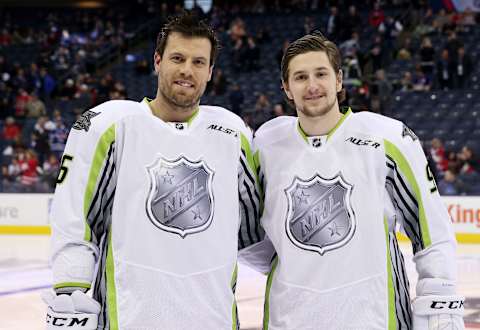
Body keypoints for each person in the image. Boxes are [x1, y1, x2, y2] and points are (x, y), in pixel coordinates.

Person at [43, 12, 262, 330]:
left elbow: (252, 229)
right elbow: (75, 217)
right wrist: (70, 290)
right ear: (157, 61)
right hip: (130, 319)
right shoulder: (112, 126)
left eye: (199, 62)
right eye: (178, 58)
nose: (187, 70)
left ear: (211, 71)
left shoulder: (232, 133)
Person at [241, 31, 464, 329]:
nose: (312, 86)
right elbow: (249, 233)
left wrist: (441, 306)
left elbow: (430, 232)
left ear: (339, 80)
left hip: (374, 319)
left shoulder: (387, 139)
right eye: (300, 77)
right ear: (286, 88)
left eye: (321, 73)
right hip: (289, 320)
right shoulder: (266, 145)